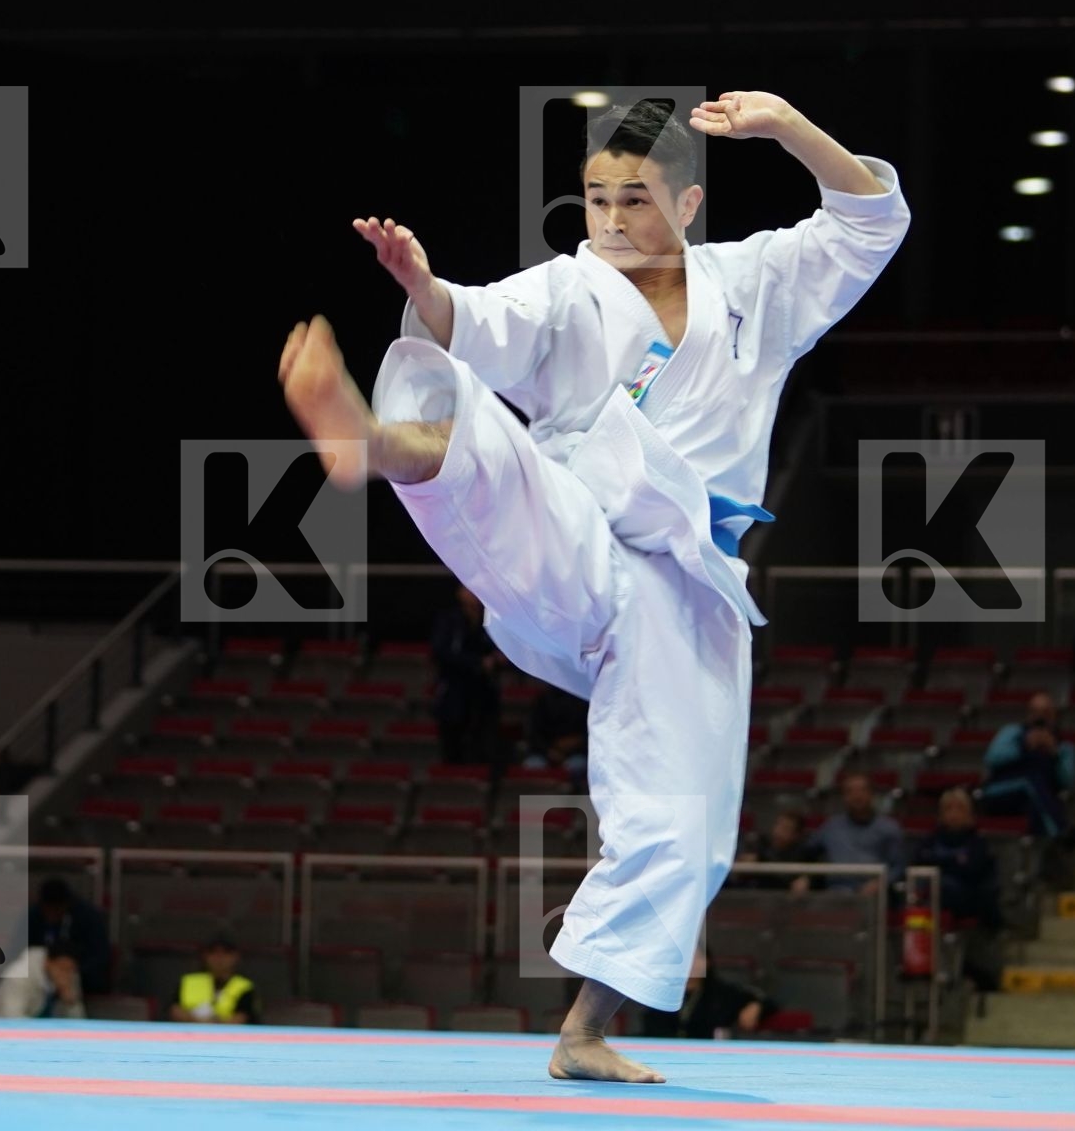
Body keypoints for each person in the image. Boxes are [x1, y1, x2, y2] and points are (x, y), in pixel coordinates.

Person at [279, 91, 908, 1083]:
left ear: (690, 205)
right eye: (597, 199)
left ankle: (582, 1032)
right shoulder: (568, 290)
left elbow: (869, 214)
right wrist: (424, 283)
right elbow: (475, 321)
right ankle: (372, 443)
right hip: (576, 540)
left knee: (688, 825)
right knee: (490, 444)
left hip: (688, 589)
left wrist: (787, 126)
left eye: (638, 201)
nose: (613, 221)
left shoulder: (757, 284)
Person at [909, 787, 1002, 992]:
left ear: (969, 815)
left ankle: (964, 969)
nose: (953, 813)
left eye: (959, 808)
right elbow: (919, 864)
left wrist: (940, 864)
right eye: (948, 808)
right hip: (931, 901)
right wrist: (953, 863)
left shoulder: (978, 843)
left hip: (968, 900)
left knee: (946, 889)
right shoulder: (929, 841)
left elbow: (972, 870)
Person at [978, 691, 1075, 847]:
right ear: (1028, 714)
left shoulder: (1064, 747)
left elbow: (1067, 781)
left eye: (1045, 713)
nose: (1040, 718)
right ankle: (1061, 831)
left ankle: (1043, 858)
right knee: (1030, 781)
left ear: (1054, 716)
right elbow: (992, 758)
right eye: (1035, 712)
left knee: (1036, 810)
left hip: (1036, 799)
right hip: (1000, 792)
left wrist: (1055, 754)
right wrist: (1022, 747)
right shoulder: (1012, 733)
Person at [431, 584, 505, 766]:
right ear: (460, 593)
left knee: (483, 744)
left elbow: (500, 651)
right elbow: (441, 651)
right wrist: (478, 662)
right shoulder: (449, 620)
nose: (473, 594)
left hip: (483, 692)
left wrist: (497, 659)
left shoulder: (492, 619)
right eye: (468, 589)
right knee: (453, 745)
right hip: (455, 691)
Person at [638, 946, 778, 1039]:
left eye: (697, 958)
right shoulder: (660, 990)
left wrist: (756, 1005)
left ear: (708, 962)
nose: (692, 963)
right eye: (686, 958)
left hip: (710, 1055)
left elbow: (767, 1001)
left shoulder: (722, 992)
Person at [811, 771, 908, 898]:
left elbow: (898, 867)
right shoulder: (831, 827)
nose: (857, 796)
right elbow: (808, 853)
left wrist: (880, 883)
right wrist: (807, 878)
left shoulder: (889, 828)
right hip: (835, 894)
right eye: (850, 791)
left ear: (871, 794)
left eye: (862, 790)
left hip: (875, 896)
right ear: (844, 797)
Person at [25, 877, 111, 995]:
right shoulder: (32, 918)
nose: (52, 915)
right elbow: (18, 954)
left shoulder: (88, 917)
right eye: (48, 910)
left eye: (56, 910)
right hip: (38, 980)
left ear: (67, 904)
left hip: (83, 982)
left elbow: (100, 956)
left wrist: (74, 973)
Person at [0, 939, 85, 1020]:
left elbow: (77, 1023)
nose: (65, 974)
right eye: (61, 968)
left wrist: (70, 1002)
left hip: (33, 1035)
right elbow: (12, 1020)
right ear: (48, 962)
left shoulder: (70, 976)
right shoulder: (19, 974)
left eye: (70, 970)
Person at [169, 934, 258, 1025]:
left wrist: (215, 1023)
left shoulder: (245, 986)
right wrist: (198, 1021)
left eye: (226, 953)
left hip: (228, 1036)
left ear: (235, 956)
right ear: (205, 956)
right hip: (189, 1034)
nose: (219, 958)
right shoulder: (188, 981)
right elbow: (175, 1011)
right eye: (213, 952)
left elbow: (242, 1017)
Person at [738, 810, 826, 892]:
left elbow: (820, 869)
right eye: (778, 825)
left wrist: (808, 879)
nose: (778, 832)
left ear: (796, 835)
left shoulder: (804, 854)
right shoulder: (762, 846)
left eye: (786, 828)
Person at [523, 681, 589, 788]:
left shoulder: (583, 700)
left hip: (576, 752)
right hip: (545, 752)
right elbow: (534, 734)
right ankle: (537, 802)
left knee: (576, 765)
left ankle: (571, 801)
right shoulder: (542, 700)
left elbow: (589, 733)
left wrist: (577, 741)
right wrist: (549, 751)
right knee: (533, 765)